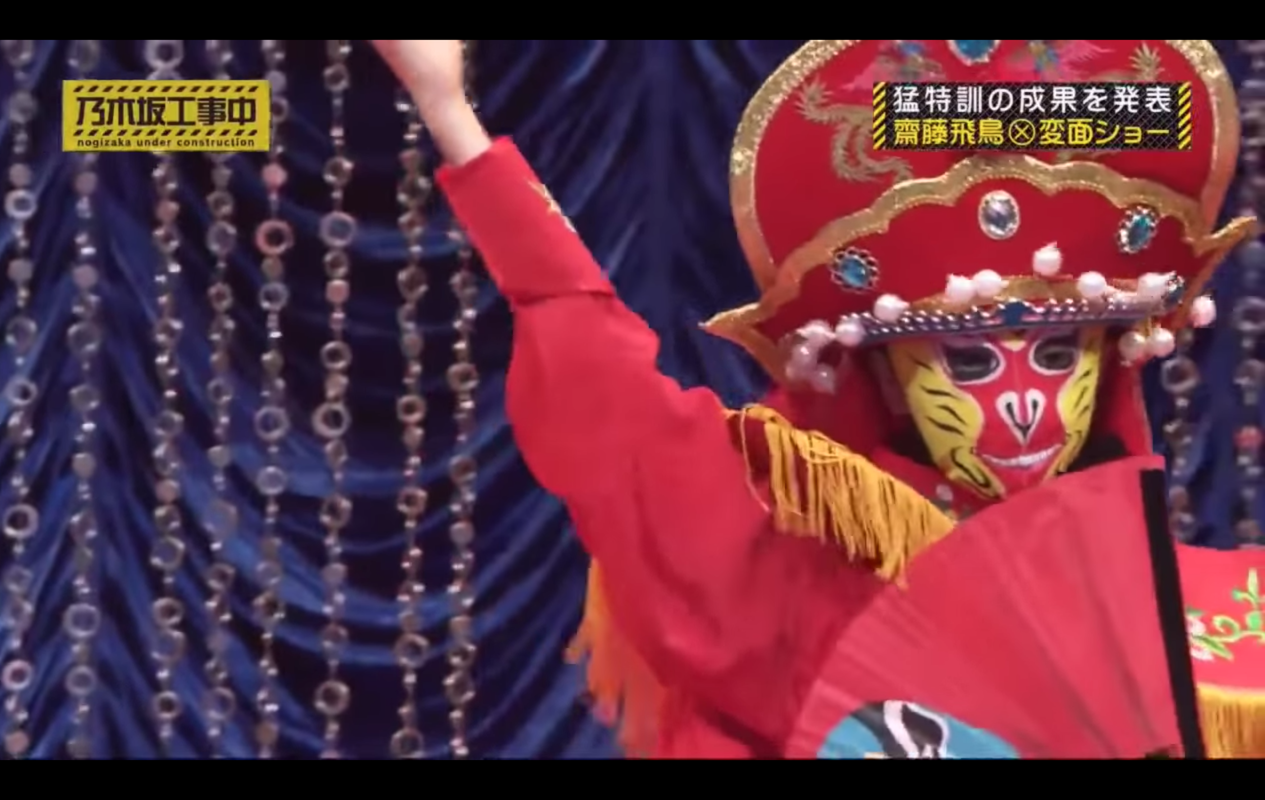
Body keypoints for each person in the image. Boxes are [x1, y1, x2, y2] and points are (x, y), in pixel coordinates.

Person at [372, 39, 1262, 758]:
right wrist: (456, 123)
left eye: (1060, 352)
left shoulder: (1195, 628)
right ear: (888, 374)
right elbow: (610, 400)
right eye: (967, 362)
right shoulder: (793, 571)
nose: (1026, 405)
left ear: (1111, 363)